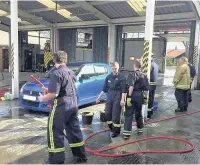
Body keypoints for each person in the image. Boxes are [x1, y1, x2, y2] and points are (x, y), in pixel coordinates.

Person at [38, 51, 87, 164]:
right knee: (74, 130)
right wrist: (48, 90)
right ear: (65, 59)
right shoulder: (71, 72)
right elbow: (64, 88)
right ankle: (81, 156)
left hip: (62, 105)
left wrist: (42, 98)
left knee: (54, 130)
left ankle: (56, 160)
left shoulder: (56, 73)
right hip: (73, 103)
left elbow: (54, 95)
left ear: (54, 60)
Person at [96, 62, 126, 138]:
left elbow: (123, 89)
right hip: (110, 95)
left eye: (115, 68)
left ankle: (116, 131)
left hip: (118, 95)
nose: (114, 70)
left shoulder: (122, 77)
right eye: (113, 68)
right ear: (111, 68)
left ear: (118, 68)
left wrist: (122, 100)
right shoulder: (108, 77)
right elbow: (104, 88)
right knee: (107, 113)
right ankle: (111, 128)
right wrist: (99, 97)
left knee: (115, 115)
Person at [123, 60, 149, 140]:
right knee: (138, 113)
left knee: (129, 113)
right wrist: (145, 97)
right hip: (140, 96)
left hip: (133, 95)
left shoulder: (132, 74)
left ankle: (127, 133)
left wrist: (129, 97)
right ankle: (140, 130)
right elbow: (146, 89)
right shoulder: (144, 76)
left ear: (134, 66)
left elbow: (131, 86)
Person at [148, 54, 158, 118]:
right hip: (154, 84)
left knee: (148, 99)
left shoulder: (150, 65)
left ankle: (148, 114)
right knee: (151, 99)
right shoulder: (156, 65)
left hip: (150, 84)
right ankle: (150, 112)